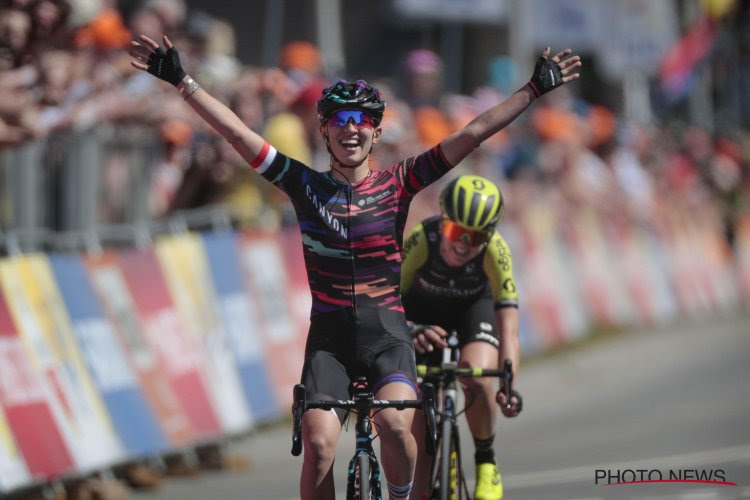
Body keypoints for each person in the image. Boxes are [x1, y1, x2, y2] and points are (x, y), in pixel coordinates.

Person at [128, 34, 580, 499]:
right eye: (340, 120)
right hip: (330, 341)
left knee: (393, 424)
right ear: (323, 130)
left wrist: (532, 91)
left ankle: (403, 494)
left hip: (387, 336)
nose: (351, 128)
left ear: (377, 132)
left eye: (363, 120)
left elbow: (473, 132)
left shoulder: (400, 182)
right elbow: (240, 136)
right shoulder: (303, 185)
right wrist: (183, 82)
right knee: (320, 446)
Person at [402, 175, 521, 499]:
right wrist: (410, 328)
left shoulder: (497, 250)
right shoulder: (420, 239)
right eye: (456, 231)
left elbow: (508, 327)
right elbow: (387, 302)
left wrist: (507, 385)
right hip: (422, 319)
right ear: (443, 222)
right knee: (419, 429)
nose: (463, 244)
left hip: (472, 311)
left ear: (490, 235)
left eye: (476, 237)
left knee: (477, 377)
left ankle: (486, 459)